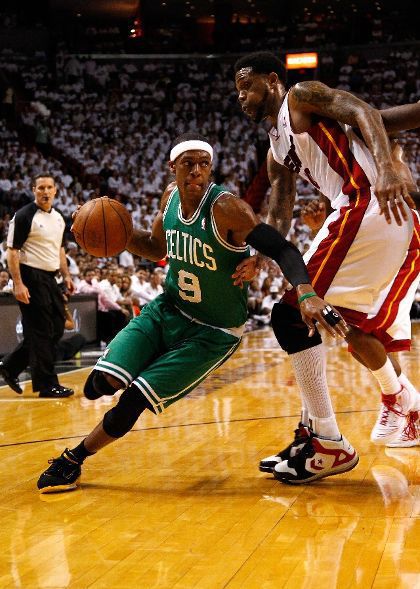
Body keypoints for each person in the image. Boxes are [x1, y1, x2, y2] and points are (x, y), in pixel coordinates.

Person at [36, 132, 349, 493]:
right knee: (98, 386)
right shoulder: (170, 198)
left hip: (213, 332)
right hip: (168, 309)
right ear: (173, 168)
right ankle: (128, 373)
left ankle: (72, 459)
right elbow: (155, 247)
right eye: (189, 164)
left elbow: (284, 249)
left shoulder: (228, 209)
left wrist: (304, 291)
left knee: (133, 400)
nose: (197, 171)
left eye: (204, 164)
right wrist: (116, 233)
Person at [233, 52, 420, 482]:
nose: (241, 96)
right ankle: (362, 413)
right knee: (330, 322)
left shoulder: (301, 97)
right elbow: (280, 209)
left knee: (291, 314)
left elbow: (363, 111)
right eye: (237, 91)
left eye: (246, 86)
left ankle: (332, 441)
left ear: (272, 80)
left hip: (365, 204)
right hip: (367, 216)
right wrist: (262, 254)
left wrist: (387, 168)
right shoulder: (276, 148)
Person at [0, 174, 75, 398]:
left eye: (49, 187)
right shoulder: (24, 215)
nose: (45, 191)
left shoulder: (59, 217)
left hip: (51, 278)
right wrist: (18, 284)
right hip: (30, 276)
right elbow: (12, 251)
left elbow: (60, 249)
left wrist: (67, 275)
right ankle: (46, 385)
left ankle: (10, 366)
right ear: (34, 190)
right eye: (41, 187)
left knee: (57, 327)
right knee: (42, 331)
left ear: (55, 190)